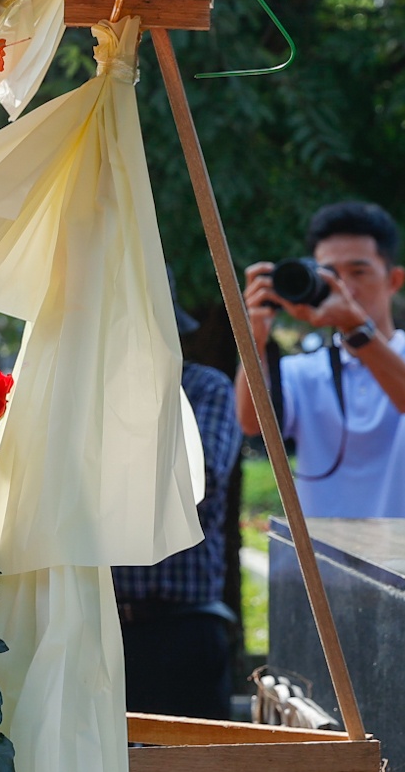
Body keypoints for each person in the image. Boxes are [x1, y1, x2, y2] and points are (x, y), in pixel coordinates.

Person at [238, 201, 405, 518]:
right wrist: (253, 337)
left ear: (394, 280)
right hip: (320, 560)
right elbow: (251, 423)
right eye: (329, 274)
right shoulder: (300, 371)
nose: (343, 287)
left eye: (358, 272)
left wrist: (355, 327)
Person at [112, 291, 242, 720]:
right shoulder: (78, 394)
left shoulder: (205, 387)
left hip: (184, 627)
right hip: (98, 626)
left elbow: (193, 481)